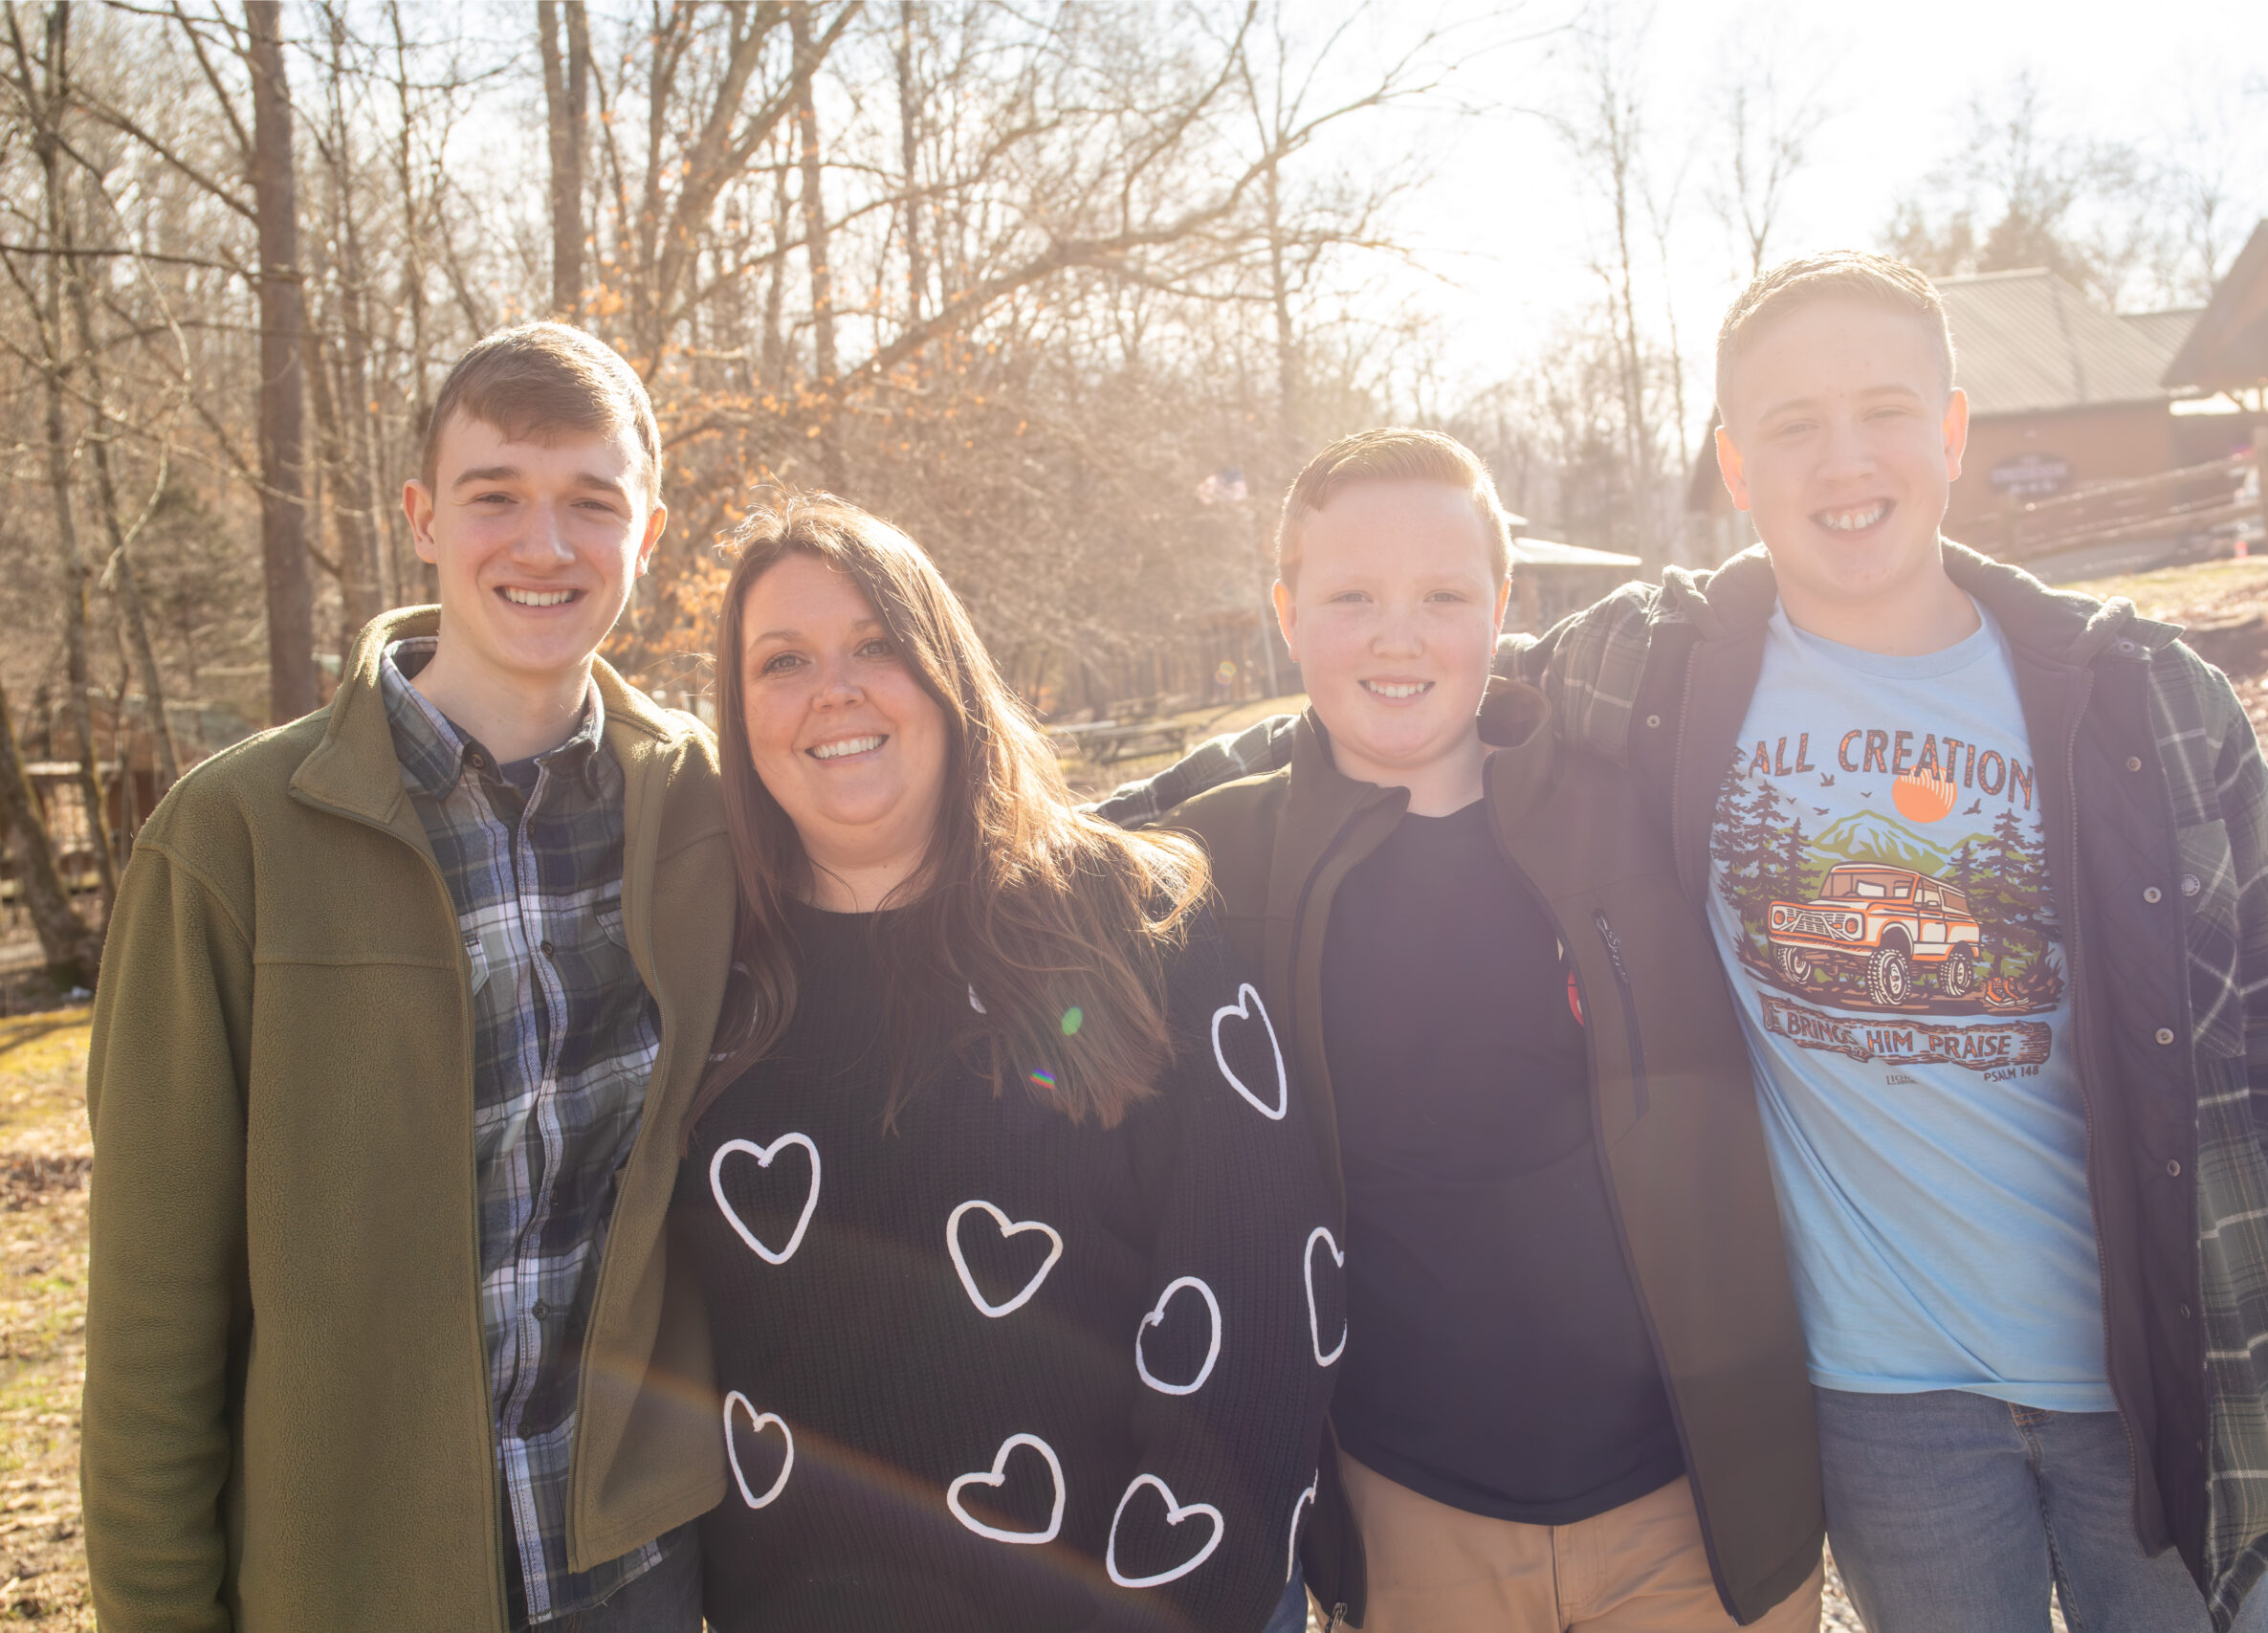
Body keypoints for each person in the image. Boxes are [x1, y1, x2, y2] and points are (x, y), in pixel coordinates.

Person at [1106, 256, 2268, 1633]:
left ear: (1952, 432)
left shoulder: (2134, 694)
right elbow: (1373, 711)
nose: (1843, 462)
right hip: (1885, 1398)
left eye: (1882, 411)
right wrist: (1024, 828)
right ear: (1733, 465)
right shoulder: (1657, 671)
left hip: (2153, 1366)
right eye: (1790, 426)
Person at [81, 321, 731, 1630]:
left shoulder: (707, 805)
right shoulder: (233, 839)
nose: (543, 545)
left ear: (647, 537)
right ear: (424, 516)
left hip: (635, 1573)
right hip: (349, 1583)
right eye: (497, 496)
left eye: (590, 504)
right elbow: (155, 1312)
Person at [1134, 430, 1823, 1633]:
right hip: (1409, 1518)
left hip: (1688, 1510)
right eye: (1351, 598)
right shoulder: (1217, 859)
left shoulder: (1633, 809)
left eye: (1442, 596)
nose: (1397, 636)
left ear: (1501, 608)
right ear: (1287, 615)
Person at [664, 493, 1336, 1633]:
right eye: (784, 661)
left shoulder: (1129, 917)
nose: (836, 689)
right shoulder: (703, 977)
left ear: (948, 672)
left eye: (877, 643)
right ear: (738, 713)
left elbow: (1263, 1290)